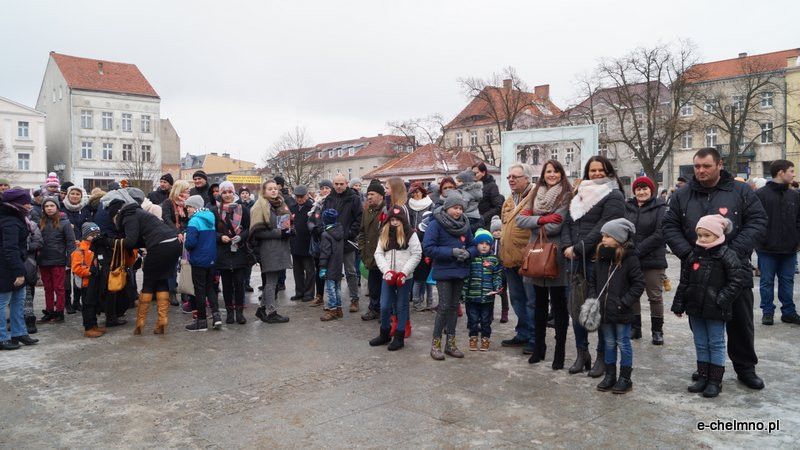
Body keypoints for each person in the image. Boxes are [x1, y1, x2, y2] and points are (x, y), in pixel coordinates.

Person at [663, 147, 767, 390]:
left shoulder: (740, 191)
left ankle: (745, 367)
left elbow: (758, 221)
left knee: (740, 322)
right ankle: (707, 368)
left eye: (706, 166)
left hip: (734, 268)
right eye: (697, 166)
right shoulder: (682, 195)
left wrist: (732, 251)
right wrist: (688, 254)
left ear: (719, 165)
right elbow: (669, 226)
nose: (700, 170)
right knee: (701, 323)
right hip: (698, 270)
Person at [562, 155, 625, 377]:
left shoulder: (614, 194)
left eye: (601, 170)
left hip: (597, 260)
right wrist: (567, 245)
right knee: (577, 307)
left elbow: (604, 226)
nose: (596, 174)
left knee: (598, 309)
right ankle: (582, 353)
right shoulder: (579, 194)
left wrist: (579, 247)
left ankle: (602, 356)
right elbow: (569, 222)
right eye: (592, 170)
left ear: (608, 172)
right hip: (576, 261)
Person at [671, 214, 748, 398]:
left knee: (716, 343)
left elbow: (737, 281)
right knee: (700, 342)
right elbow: (685, 281)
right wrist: (679, 303)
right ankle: (703, 377)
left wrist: (721, 300)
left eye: (707, 235)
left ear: (718, 235)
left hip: (716, 309)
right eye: (700, 235)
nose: (702, 239)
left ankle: (715, 380)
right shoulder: (694, 255)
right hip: (696, 308)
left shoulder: (726, 255)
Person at [516, 160, 573, 369]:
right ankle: (539, 348)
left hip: (556, 256)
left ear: (561, 174)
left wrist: (535, 221)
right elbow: (519, 221)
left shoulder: (566, 194)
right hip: (536, 254)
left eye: (556, 171)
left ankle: (560, 352)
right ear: (543, 174)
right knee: (538, 306)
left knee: (558, 308)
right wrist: (542, 220)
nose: (552, 175)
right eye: (548, 171)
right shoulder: (535, 193)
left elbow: (557, 226)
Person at [110, 190, 182, 335]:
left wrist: (108, 241)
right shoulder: (140, 213)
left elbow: (130, 242)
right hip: (174, 244)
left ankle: (140, 322)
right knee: (162, 281)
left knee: (148, 283)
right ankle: (162, 319)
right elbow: (139, 240)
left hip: (159, 246)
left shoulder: (128, 217)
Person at [590, 218, 645, 394]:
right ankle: (610, 375)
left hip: (621, 311)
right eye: (603, 235)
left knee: (623, 342)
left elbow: (638, 284)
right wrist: (594, 300)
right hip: (604, 311)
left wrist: (624, 303)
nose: (603, 239)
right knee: (609, 342)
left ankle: (625, 378)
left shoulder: (630, 259)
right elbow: (593, 281)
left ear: (619, 238)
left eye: (608, 236)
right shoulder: (601, 257)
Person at [424, 192, 477, 360]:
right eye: (455, 208)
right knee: (444, 307)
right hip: (444, 272)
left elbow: (473, 245)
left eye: (461, 208)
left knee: (454, 307)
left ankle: (451, 344)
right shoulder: (436, 224)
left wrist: (468, 253)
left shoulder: (465, 225)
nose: (458, 211)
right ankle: (436, 345)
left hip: (460, 271)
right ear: (447, 208)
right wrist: (451, 252)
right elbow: (429, 248)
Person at [755, 160, 800, 325]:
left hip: (789, 248)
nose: (793, 174)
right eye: (791, 171)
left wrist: (797, 239)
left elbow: (799, 220)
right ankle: (767, 312)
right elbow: (755, 220)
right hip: (767, 248)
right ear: (781, 173)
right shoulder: (761, 194)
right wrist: (760, 240)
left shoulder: (795, 195)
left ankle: (789, 312)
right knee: (767, 281)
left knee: (788, 280)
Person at [370, 207, 422, 350]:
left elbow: (416, 254)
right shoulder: (384, 234)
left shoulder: (411, 235)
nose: (395, 222)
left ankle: (399, 336)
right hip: (388, 276)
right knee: (385, 305)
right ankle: (384, 333)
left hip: (405, 277)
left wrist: (404, 272)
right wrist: (387, 271)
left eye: (397, 220)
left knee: (401, 305)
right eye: (392, 219)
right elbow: (378, 254)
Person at [497, 163, 537, 354]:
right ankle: (522, 333)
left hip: (528, 259)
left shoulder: (535, 198)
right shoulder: (508, 200)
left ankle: (534, 338)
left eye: (515, 177)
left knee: (532, 301)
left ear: (527, 179)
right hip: (509, 258)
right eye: (509, 177)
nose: (511, 180)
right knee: (517, 300)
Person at [624, 176, 668, 345]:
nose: (641, 192)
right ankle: (636, 328)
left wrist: (638, 249)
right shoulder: (628, 207)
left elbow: (660, 233)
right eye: (638, 189)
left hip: (653, 259)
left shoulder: (660, 207)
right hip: (631, 258)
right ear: (634, 191)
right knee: (633, 294)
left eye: (645, 189)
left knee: (655, 296)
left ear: (651, 190)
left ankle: (657, 331)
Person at [0, 188, 39, 350]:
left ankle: (19, 332)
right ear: (16, 203)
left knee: (18, 300)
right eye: (25, 202)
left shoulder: (17, 217)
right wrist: (18, 272)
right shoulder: (9, 220)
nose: (29, 205)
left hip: (15, 264)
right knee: (3, 303)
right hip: (6, 267)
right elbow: (10, 249)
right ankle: (2, 337)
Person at [249, 179, 292, 324]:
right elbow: (258, 232)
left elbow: (283, 224)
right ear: (264, 191)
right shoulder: (260, 206)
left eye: (275, 188)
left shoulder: (279, 204)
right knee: (271, 282)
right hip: (268, 249)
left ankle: (261, 309)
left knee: (273, 280)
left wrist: (290, 231)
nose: (274, 191)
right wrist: (280, 233)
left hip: (280, 248)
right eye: (270, 189)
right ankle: (271, 312)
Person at [321, 174, 362, 312]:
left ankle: (354, 299)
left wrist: (350, 233)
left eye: (341, 184)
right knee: (333, 273)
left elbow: (359, 218)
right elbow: (323, 216)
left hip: (347, 241)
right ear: (333, 184)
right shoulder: (329, 199)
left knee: (351, 272)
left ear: (346, 184)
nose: (339, 186)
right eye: (336, 184)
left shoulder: (354, 199)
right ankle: (335, 303)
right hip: (332, 242)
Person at [182, 195, 222, 331]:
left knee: (199, 290)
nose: (187, 209)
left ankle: (201, 321)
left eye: (189, 206)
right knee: (210, 288)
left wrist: (186, 242)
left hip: (198, 260)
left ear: (195, 207)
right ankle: (216, 317)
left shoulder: (194, 221)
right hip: (211, 259)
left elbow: (191, 243)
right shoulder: (210, 218)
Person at [214, 181, 250, 324]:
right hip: (222, 252)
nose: (227, 195)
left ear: (233, 193)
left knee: (239, 283)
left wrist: (240, 237)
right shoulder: (214, 210)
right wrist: (220, 237)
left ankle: (240, 312)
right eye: (224, 192)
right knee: (227, 284)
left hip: (239, 251)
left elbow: (248, 229)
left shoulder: (243, 209)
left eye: (230, 192)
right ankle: (229, 312)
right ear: (221, 194)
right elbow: (211, 231)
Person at [463, 229, 503, 352]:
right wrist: (463, 292)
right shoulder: (471, 259)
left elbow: (497, 275)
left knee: (486, 320)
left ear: (491, 245)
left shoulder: (494, 259)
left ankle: (485, 339)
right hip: (471, 296)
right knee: (472, 320)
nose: (484, 246)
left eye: (487, 244)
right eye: (481, 243)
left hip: (487, 297)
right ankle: (473, 338)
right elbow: (466, 277)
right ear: (476, 245)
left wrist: (497, 287)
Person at [37, 197, 76, 324]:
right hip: (43, 260)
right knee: (47, 288)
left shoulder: (64, 223)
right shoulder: (40, 222)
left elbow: (71, 243)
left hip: (58, 260)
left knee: (59, 288)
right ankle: (49, 311)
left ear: (57, 207)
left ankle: (59, 312)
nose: (49, 208)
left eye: (51, 206)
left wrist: (70, 261)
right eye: (46, 206)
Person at [161, 180, 192, 307]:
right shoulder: (168, 203)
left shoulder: (188, 203)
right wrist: (177, 233)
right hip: (172, 237)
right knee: (172, 266)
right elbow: (167, 219)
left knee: (186, 264)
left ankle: (185, 291)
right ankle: (171, 291)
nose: (189, 191)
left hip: (186, 235)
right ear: (180, 190)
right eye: (187, 189)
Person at [61, 184, 90, 314]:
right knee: (66, 276)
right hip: (66, 246)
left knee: (79, 273)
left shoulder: (85, 209)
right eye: (72, 193)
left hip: (82, 246)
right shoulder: (62, 208)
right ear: (68, 195)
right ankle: (67, 302)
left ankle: (77, 301)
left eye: (77, 194)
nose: (75, 196)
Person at [72, 222, 105, 337]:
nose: (95, 236)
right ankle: (88, 327)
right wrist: (90, 271)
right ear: (86, 235)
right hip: (86, 283)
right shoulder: (80, 250)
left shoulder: (97, 248)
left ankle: (94, 324)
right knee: (88, 306)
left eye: (97, 234)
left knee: (94, 304)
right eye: (92, 234)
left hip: (95, 282)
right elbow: (76, 268)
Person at [358, 180, 385, 320]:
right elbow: (361, 232)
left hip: (383, 256)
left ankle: (385, 311)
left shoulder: (387, 211)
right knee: (373, 286)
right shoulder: (367, 211)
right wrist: (362, 249)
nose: (369, 197)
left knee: (384, 286)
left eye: (372, 194)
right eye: (368, 194)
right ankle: (373, 309)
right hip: (369, 254)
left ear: (381, 195)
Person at [408, 182, 434, 312]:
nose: (415, 195)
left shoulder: (430, 204)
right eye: (413, 193)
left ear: (423, 192)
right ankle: (417, 300)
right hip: (413, 239)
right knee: (418, 275)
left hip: (427, 238)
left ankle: (429, 301)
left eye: (417, 192)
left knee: (428, 276)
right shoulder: (409, 204)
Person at [308, 179, 333, 307]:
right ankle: (319, 296)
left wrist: (324, 229)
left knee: (331, 271)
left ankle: (332, 299)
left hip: (330, 243)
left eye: (327, 188)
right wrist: (313, 228)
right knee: (319, 270)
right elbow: (311, 219)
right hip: (318, 243)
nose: (325, 190)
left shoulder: (334, 202)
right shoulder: (316, 204)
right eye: (323, 188)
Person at [289, 184, 315, 302]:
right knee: (297, 270)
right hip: (295, 243)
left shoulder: (312, 207)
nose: (299, 199)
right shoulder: (292, 207)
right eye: (297, 196)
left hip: (308, 243)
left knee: (309, 270)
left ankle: (309, 293)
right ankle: (299, 292)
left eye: (302, 196)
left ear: (307, 195)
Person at [319, 209, 345, 321]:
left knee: (330, 289)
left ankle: (332, 310)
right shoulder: (340, 231)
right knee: (337, 288)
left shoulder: (326, 234)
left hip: (330, 265)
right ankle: (339, 309)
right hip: (338, 264)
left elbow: (325, 252)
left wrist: (322, 267)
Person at [489, 216, 509, 323]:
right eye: (495, 230)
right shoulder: (489, 242)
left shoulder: (505, 242)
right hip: (492, 271)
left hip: (503, 271)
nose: (498, 233)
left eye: (500, 230)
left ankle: (504, 313)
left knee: (503, 293)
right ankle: (490, 313)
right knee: (491, 292)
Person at [236, 186, 256, 292]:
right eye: (242, 193)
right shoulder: (237, 205)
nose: (244, 195)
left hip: (250, 235)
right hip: (239, 234)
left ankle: (247, 282)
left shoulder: (253, 204)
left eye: (246, 193)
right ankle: (240, 282)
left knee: (249, 261)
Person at [473, 162, 504, 229]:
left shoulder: (492, 186)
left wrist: (483, 218)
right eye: (472, 173)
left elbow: (498, 207)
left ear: (483, 173)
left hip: (486, 224)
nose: (474, 175)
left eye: (476, 173)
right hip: (474, 222)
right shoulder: (472, 186)